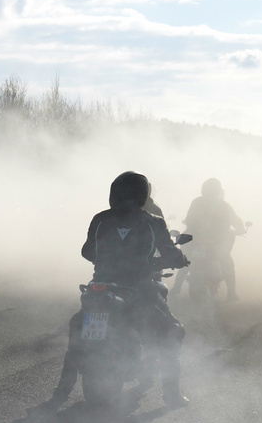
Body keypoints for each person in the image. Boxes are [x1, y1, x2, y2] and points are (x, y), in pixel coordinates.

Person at [59, 170, 190, 407]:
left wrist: (109, 258)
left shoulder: (100, 219)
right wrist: (178, 259)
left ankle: (62, 390)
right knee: (172, 332)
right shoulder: (153, 221)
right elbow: (170, 253)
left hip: (101, 285)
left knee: (79, 326)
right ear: (143, 194)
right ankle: (172, 396)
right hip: (139, 287)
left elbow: (87, 251)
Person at [183, 178, 247, 300]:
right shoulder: (223, 205)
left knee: (189, 258)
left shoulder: (197, 202)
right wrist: (240, 229)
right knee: (227, 262)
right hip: (213, 241)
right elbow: (236, 221)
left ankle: (180, 284)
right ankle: (231, 293)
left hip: (200, 240)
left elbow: (189, 219)